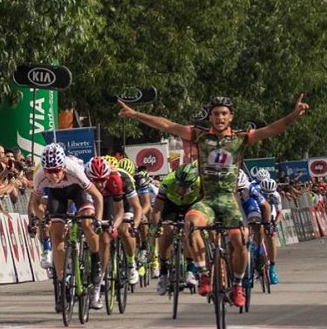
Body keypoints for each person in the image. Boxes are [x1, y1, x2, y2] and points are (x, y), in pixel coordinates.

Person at [119, 94, 308, 308]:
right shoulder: (199, 136)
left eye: (224, 114)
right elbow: (168, 125)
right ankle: (203, 273)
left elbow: (272, 129)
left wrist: (293, 115)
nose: (220, 117)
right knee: (191, 222)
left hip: (228, 200)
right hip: (207, 200)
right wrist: (135, 114)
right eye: (216, 113)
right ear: (210, 117)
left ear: (231, 117)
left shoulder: (240, 138)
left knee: (240, 239)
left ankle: (237, 285)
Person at [33, 143, 102, 314]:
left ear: (63, 166)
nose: (53, 175)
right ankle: (63, 284)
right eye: (49, 171)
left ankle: (95, 261)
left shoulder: (75, 170)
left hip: (78, 190)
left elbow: (98, 197)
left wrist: (98, 220)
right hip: (57, 195)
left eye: (56, 170)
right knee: (56, 235)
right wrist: (43, 219)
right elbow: (35, 204)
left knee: (87, 224)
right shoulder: (40, 175)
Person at [86, 155, 144, 308]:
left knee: (119, 232)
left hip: (119, 201)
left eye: (102, 180)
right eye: (95, 180)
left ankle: (131, 264)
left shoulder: (119, 179)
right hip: (96, 200)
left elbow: (132, 208)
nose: (99, 184)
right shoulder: (84, 178)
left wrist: (132, 226)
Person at [153, 162, 201, 294]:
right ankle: (163, 272)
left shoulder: (200, 183)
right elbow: (157, 209)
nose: (181, 189)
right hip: (171, 204)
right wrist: (157, 227)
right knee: (166, 231)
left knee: (189, 231)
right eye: (179, 185)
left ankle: (190, 270)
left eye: (185, 186)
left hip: (191, 204)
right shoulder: (168, 181)